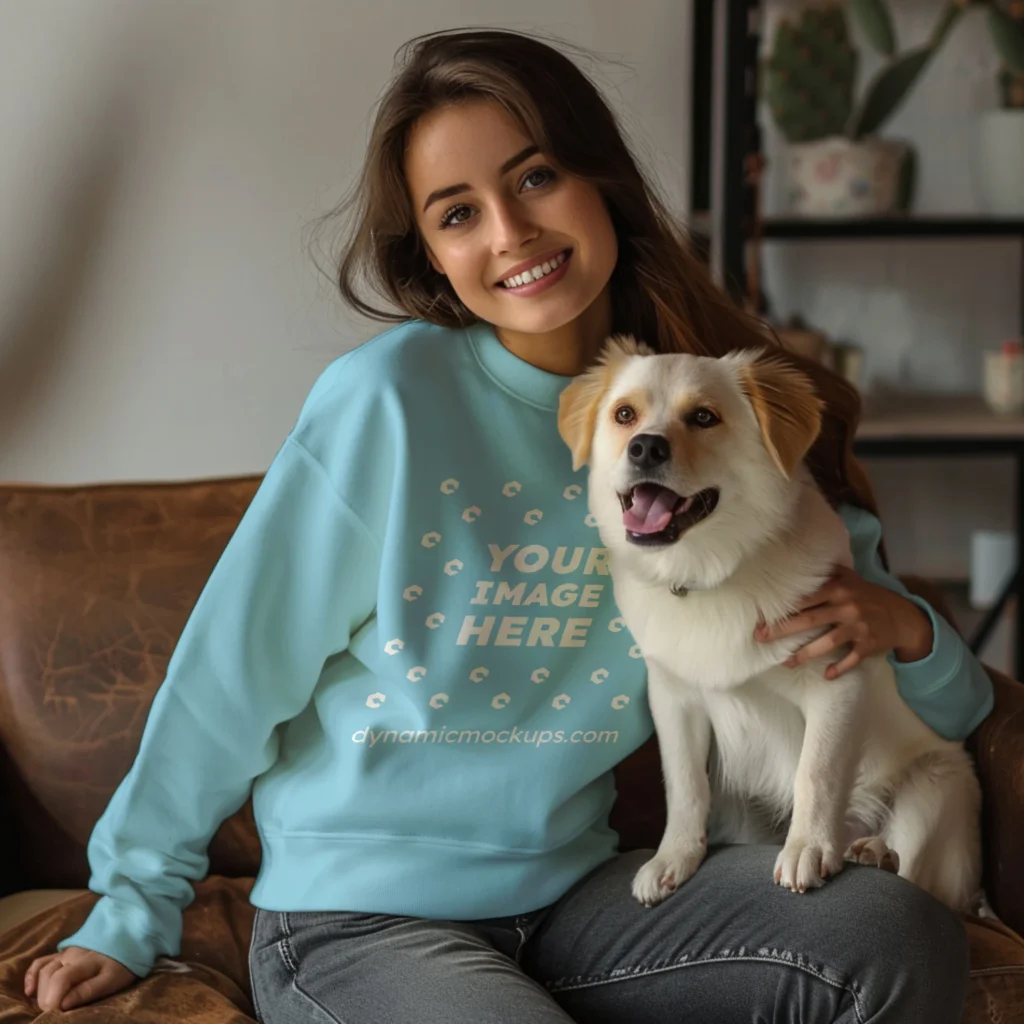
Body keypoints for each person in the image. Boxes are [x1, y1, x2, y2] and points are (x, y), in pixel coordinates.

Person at [25, 27, 993, 1023]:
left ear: (600, 179)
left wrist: (910, 632)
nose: (509, 232)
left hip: (578, 900)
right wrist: (129, 907)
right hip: (359, 920)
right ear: (436, 259)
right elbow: (231, 671)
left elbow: (918, 688)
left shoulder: (708, 408)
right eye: (458, 213)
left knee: (885, 935)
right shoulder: (387, 403)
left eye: (534, 178)